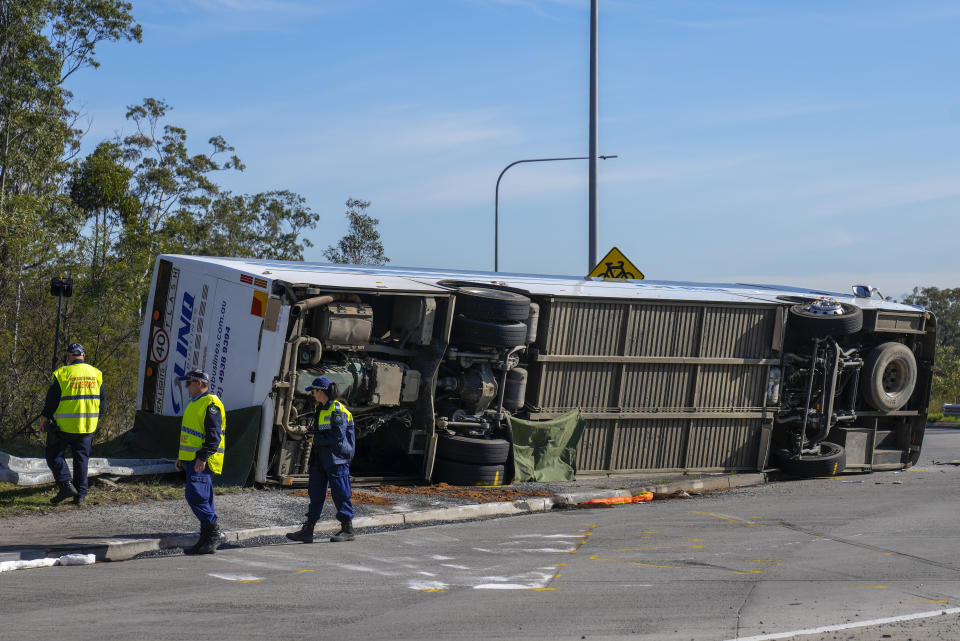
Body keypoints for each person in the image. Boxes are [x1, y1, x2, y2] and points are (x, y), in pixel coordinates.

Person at [287, 376, 357, 543]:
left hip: (336, 459)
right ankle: (308, 530)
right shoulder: (321, 408)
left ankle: (347, 529)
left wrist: (315, 439)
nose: (312, 394)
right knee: (316, 494)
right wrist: (312, 433)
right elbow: (324, 430)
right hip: (321, 458)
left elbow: (337, 436)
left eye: (314, 391)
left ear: (321, 391)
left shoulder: (337, 409)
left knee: (341, 493)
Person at [40, 343, 104, 507]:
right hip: (87, 426)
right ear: (83, 356)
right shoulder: (96, 373)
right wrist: (97, 418)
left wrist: (45, 418)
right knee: (81, 460)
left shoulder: (62, 373)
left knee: (53, 455)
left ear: (69, 357)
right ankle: (80, 496)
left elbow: (52, 400)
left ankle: (66, 485)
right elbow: (102, 402)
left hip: (64, 426)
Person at [175, 368, 226, 555]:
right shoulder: (195, 403)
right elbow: (190, 434)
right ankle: (206, 539)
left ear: (199, 383)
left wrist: (203, 457)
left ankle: (214, 531)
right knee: (203, 498)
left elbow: (214, 436)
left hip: (202, 461)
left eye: (189, 383)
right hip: (192, 459)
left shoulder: (211, 404)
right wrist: (182, 457)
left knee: (194, 496)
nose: (187, 387)